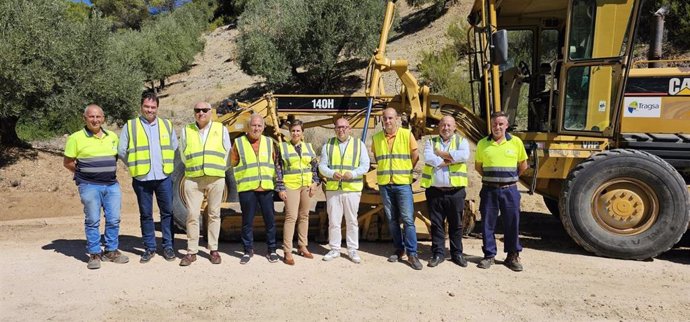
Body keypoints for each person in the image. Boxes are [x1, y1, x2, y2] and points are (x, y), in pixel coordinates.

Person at [64, 104, 129, 269]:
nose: (95, 120)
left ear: (103, 118)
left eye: (98, 117)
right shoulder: (75, 138)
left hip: (111, 185)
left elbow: (116, 157)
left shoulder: (112, 136)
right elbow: (68, 162)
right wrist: (83, 175)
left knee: (114, 219)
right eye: (91, 117)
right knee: (92, 220)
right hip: (89, 186)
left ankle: (111, 251)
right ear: (84, 118)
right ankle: (94, 253)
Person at [118, 92, 178, 263]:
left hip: (164, 176)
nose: (149, 110)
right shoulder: (130, 126)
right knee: (146, 214)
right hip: (142, 178)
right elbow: (122, 151)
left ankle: (168, 247)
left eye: (153, 107)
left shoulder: (167, 125)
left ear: (157, 108)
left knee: (167, 213)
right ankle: (149, 248)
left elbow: (173, 146)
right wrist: (134, 165)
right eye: (146, 106)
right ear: (141, 107)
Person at [178, 102, 231, 266]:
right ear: (194, 113)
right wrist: (195, 168)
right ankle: (191, 251)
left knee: (214, 214)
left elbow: (228, 153)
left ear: (211, 112)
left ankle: (213, 249)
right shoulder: (186, 130)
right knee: (192, 215)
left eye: (205, 110)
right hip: (193, 179)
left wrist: (218, 169)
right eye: (197, 110)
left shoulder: (221, 129)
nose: (201, 113)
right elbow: (182, 154)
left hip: (215, 178)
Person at [475, 111, 529, 272]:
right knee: (487, 224)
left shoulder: (516, 142)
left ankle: (512, 256)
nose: (497, 127)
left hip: (510, 190)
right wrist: (493, 180)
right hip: (489, 191)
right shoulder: (483, 144)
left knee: (512, 224)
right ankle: (489, 255)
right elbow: (478, 167)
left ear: (506, 125)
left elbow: (523, 165)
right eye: (494, 124)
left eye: (500, 124)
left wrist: (510, 179)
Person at [372, 107, 422, 270]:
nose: (387, 121)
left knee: (408, 219)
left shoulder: (406, 135)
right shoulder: (377, 138)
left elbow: (415, 156)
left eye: (390, 118)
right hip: (385, 184)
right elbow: (378, 158)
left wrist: (407, 170)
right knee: (392, 220)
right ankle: (399, 249)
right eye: (385, 118)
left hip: (402, 184)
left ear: (397, 119)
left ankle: (412, 253)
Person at [318, 117, 370, 264]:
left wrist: (352, 174)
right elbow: (322, 166)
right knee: (334, 220)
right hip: (334, 188)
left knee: (352, 220)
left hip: (352, 189)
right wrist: (331, 174)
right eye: (338, 127)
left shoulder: (359, 145)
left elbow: (365, 165)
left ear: (349, 129)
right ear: (335, 129)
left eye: (344, 127)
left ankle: (352, 249)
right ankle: (334, 248)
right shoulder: (328, 145)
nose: (341, 130)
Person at [421, 115, 470, 268]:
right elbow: (429, 158)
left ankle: (457, 254)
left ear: (455, 127)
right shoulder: (431, 142)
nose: (446, 128)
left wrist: (441, 154)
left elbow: (463, 156)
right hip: (435, 191)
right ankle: (438, 253)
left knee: (456, 224)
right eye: (443, 125)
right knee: (436, 224)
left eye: (449, 125)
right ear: (439, 127)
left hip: (455, 192)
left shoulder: (462, 142)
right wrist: (449, 160)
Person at [231, 113, 278, 264]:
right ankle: (247, 250)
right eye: (253, 125)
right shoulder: (238, 143)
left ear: (263, 127)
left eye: (259, 125)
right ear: (248, 127)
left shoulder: (270, 143)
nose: (256, 128)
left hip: (266, 188)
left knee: (270, 221)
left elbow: (275, 164)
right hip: (247, 189)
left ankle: (272, 250)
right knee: (247, 222)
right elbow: (232, 163)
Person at [276, 119, 320, 265]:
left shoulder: (308, 147)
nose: (295, 133)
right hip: (291, 186)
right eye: (293, 131)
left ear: (302, 133)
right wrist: (281, 188)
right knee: (291, 217)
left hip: (306, 185)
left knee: (304, 216)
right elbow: (278, 169)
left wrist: (315, 183)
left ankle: (302, 246)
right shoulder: (283, 147)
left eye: (298, 131)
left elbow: (314, 167)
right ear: (290, 133)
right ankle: (287, 251)